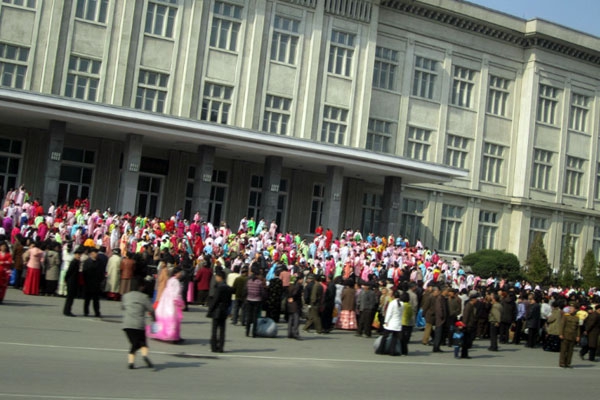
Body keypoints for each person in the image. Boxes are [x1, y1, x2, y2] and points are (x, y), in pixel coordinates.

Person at [122, 277, 155, 369]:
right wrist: (154, 319)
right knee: (142, 342)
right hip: (139, 325)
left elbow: (123, 307)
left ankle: (131, 362)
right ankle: (144, 356)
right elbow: (151, 310)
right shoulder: (144, 297)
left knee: (135, 343)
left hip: (127, 324)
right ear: (141, 287)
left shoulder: (125, 296)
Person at [147, 267, 185, 342]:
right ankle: (172, 335)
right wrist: (181, 303)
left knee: (161, 319)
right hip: (171, 303)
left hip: (165, 301)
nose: (181, 274)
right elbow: (176, 294)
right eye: (180, 272)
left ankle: (157, 332)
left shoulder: (170, 280)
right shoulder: (176, 282)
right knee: (172, 319)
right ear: (176, 273)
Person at [207, 270, 231, 353]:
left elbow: (215, 300)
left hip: (217, 310)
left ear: (220, 277)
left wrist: (210, 310)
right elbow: (229, 301)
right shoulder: (228, 288)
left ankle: (214, 347)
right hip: (224, 310)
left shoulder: (219, 288)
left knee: (214, 330)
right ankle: (221, 347)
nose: (216, 278)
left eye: (217, 276)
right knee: (222, 330)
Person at [378, 290, 403, 356]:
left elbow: (389, 313)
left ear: (393, 296)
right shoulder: (402, 304)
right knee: (394, 338)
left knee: (385, 337)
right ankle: (392, 351)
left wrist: (386, 321)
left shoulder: (392, 303)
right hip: (397, 323)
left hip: (391, 323)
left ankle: (381, 350)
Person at [82, 247, 103, 318]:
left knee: (96, 300)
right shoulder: (87, 262)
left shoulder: (99, 262)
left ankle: (97, 312)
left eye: (97, 253)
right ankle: (86, 311)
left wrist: (100, 280)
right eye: (95, 253)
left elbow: (101, 272)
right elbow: (84, 273)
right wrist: (86, 281)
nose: (96, 254)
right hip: (88, 283)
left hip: (96, 283)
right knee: (87, 299)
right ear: (91, 254)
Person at [63, 247, 84, 316]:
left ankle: (67, 310)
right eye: (78, 254)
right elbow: (69, 272)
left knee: (71, 297)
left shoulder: (77, 262)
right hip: (71, 281)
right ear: (75, 254)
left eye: (80, 255)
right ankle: (67, 310)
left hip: (73, 281)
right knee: (70, 297)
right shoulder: (74, 262)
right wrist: (66, 279)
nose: (79, 256)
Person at [245, 266, 265, 337]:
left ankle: (247, 332)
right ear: (257, 275)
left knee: (249, 316)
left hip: (249, 299)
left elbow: (246, 290)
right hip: (257, 300)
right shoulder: (259, 282)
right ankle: (254, 332)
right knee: (255, 317)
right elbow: (262, 292)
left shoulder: (249, 281)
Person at [461, 292, 479, 359]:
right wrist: (464, 325)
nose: (476, 300)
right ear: (472, 299)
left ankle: (465, 354)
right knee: (466, 341)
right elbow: (466, 316)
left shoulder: (472, 306)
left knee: (467, 340)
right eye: (476, 299)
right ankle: (464, 354)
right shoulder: (468, 306)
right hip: (467, 325)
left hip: (470, 325)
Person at [286, 274, 304, 340]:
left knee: (291, 319)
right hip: (296, 304)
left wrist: (289, 298)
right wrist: (293, 298)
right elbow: (295, 294)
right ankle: (295, 333)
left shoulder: (290, 286)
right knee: (296, 319)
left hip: (290, 304)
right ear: (300, 279)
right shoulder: (298, 286)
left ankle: (289, 333)